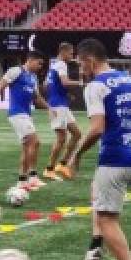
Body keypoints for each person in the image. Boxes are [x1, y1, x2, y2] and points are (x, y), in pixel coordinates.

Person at [70, 39, 131, 260]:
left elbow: (96, 128)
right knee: (97, 191)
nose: (80, 70)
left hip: (116, 158)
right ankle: (95, 245)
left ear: (90, 60)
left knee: (107, 218)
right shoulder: (130, 80)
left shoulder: (95, 86)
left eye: (80, 64)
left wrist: (75, 155)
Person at [0, 52, 49, 191]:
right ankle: (32, 177)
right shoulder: (16, 71)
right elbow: (0, 87)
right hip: (17, 114)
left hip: (26, 114)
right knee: (35, 142)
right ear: (30, 60)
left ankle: (23, 181)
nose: (40, 66)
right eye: (39, 63)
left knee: (27, 147)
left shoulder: (33, 77)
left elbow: (36, 97)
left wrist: (49, 108)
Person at [43, 42, 81, 181]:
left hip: (60, 103)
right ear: (64, 52)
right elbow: (65, 82)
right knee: (61, 138)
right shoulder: (61, 64)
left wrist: (61, 93)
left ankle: (62, 164)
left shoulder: (53, 64)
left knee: (77, 134)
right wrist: (81, 83)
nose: (72, 56)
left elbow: (46, 85)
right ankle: (49, 169)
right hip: (58, 105)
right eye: (71, 53)